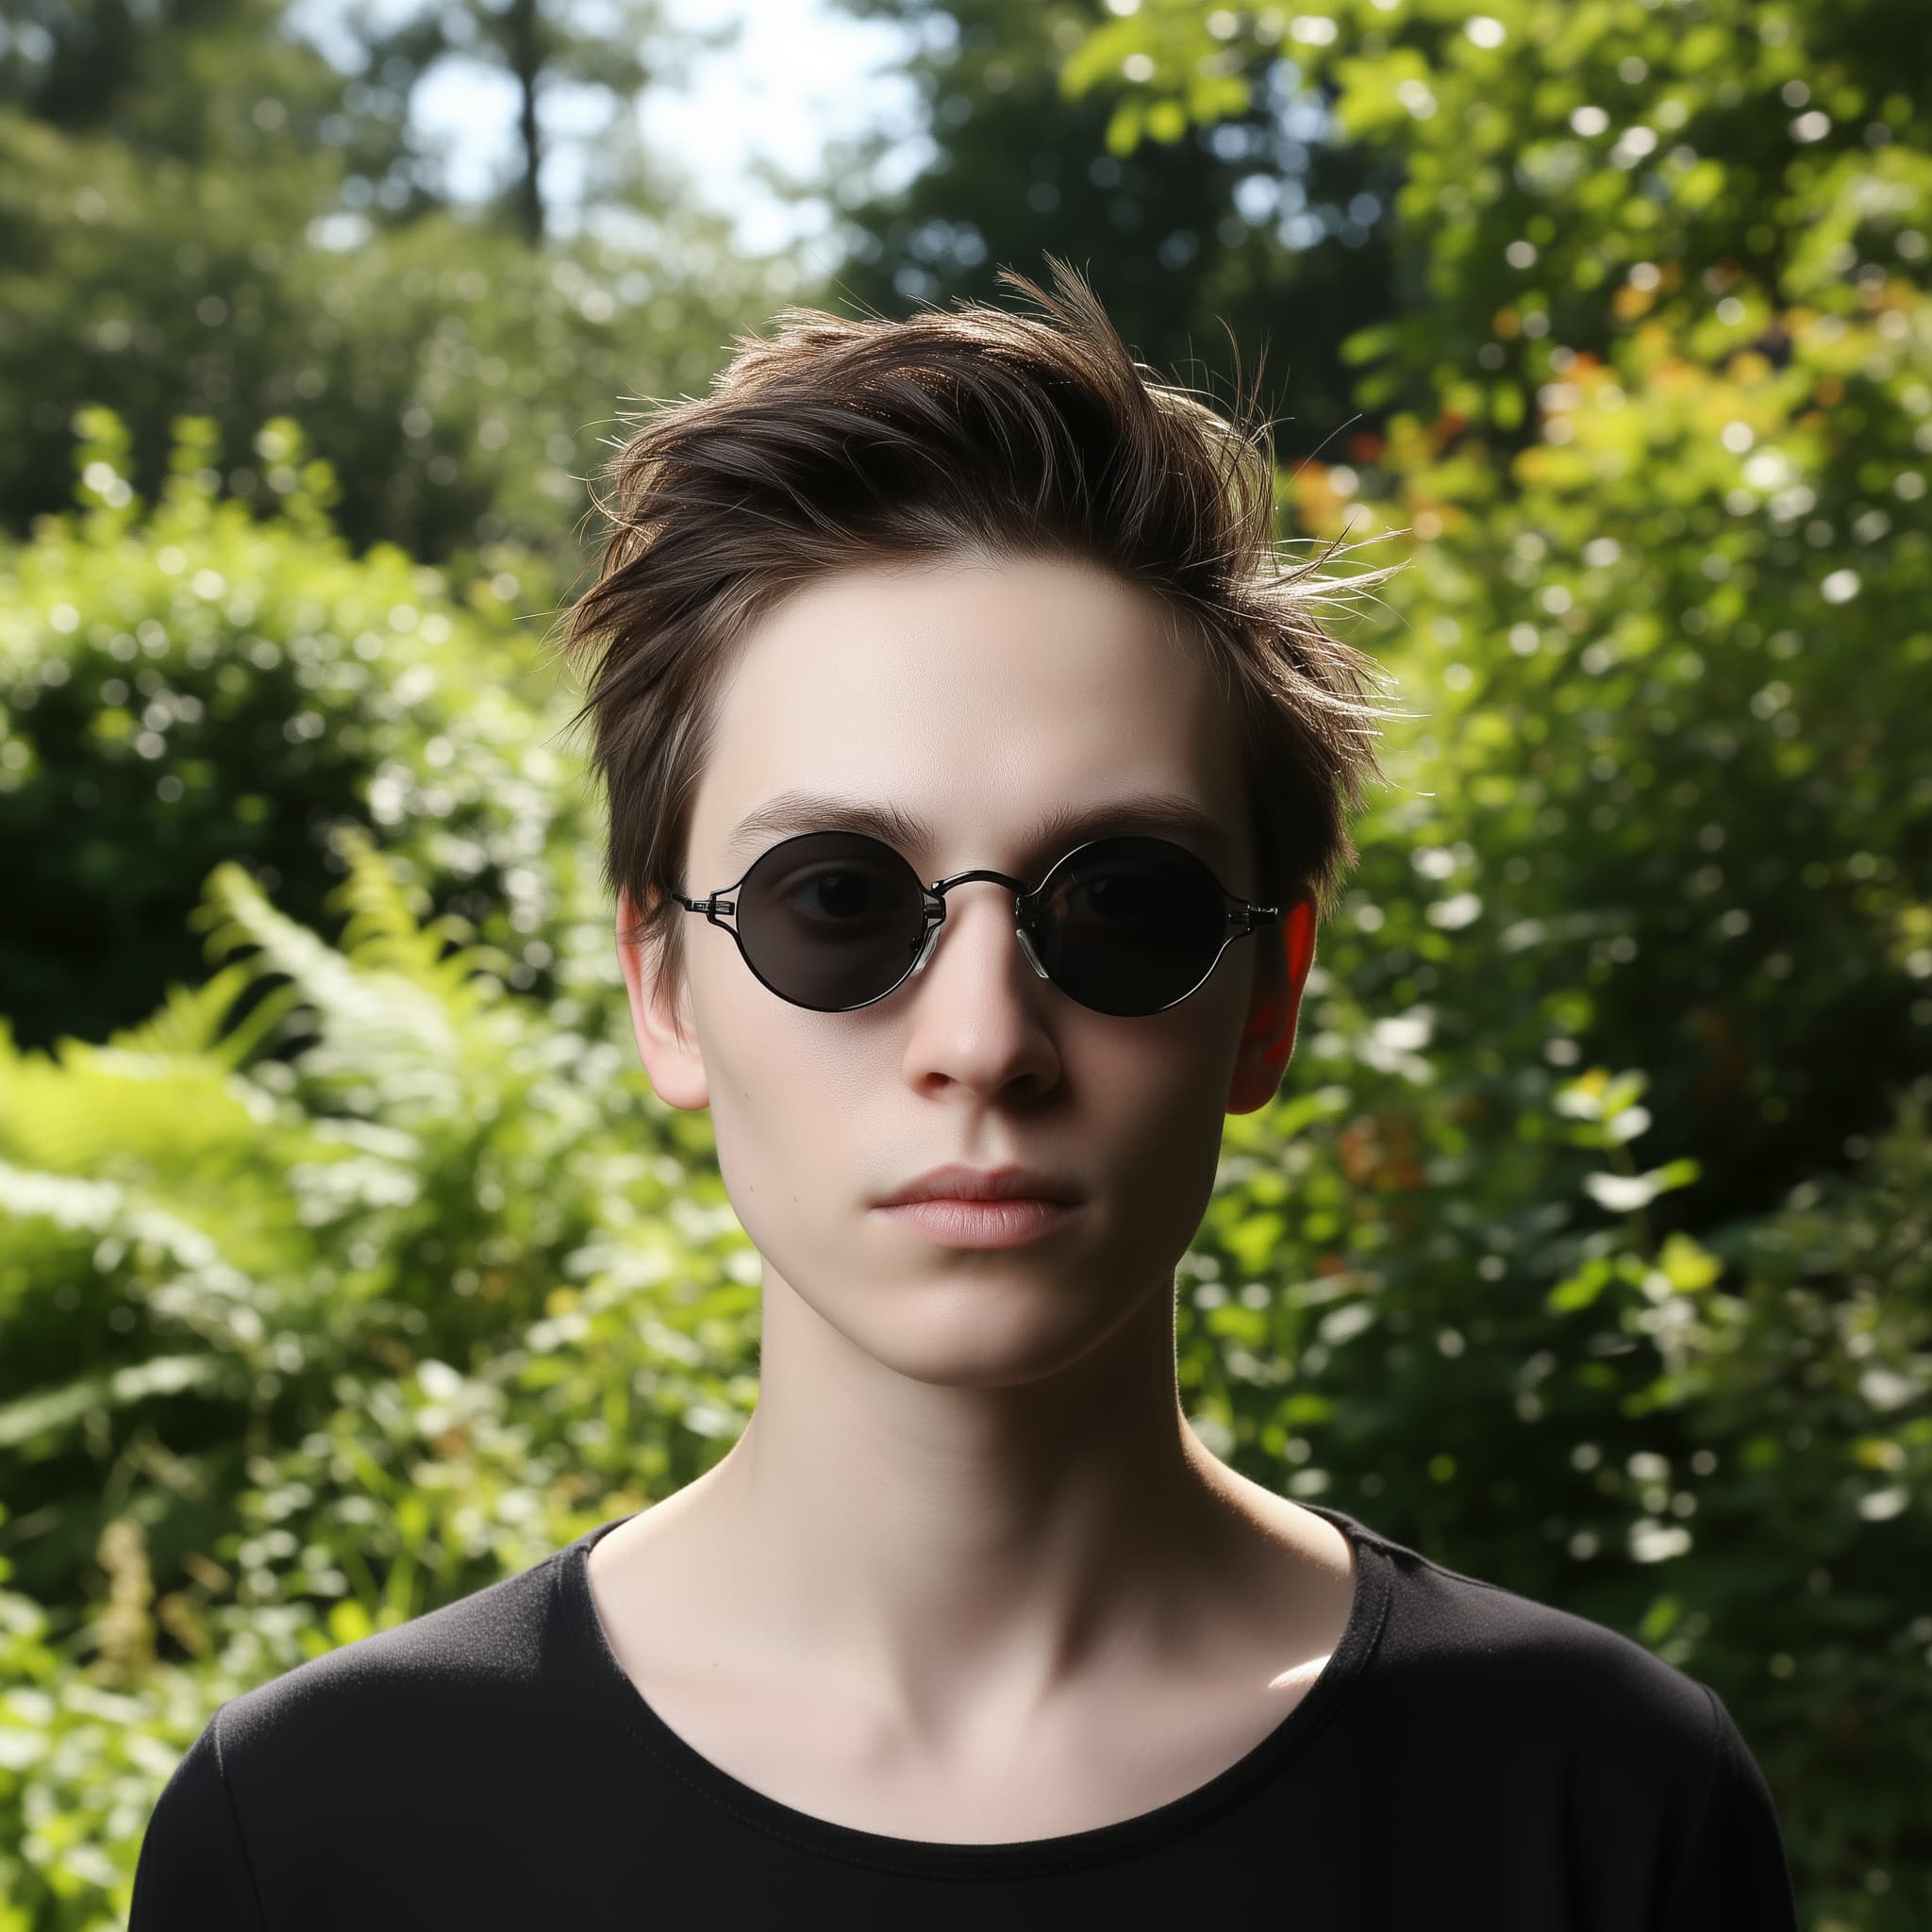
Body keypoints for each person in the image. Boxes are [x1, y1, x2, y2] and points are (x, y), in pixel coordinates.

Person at [127, 259, 1800, 1927]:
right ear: (664, 984)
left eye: (1122, 903)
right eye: (840, 900)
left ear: (1267, 999)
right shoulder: (314, 1835)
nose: (985, 1037)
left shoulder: (1606, 1808)